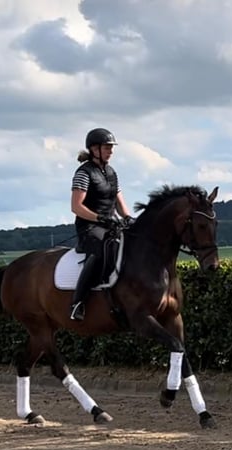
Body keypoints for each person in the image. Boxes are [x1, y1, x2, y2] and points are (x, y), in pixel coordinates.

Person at [69, 127, 135, 321]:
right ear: (94, 149)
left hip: (111, 225)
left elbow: (120, 203)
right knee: (99, 252)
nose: (111, 151)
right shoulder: (83, 173)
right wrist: (99, 218)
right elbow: (76, 206)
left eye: (111, 147)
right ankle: (77, 303)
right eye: (107, 147)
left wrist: (128, 218)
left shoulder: (112, 172)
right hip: (89, 227)